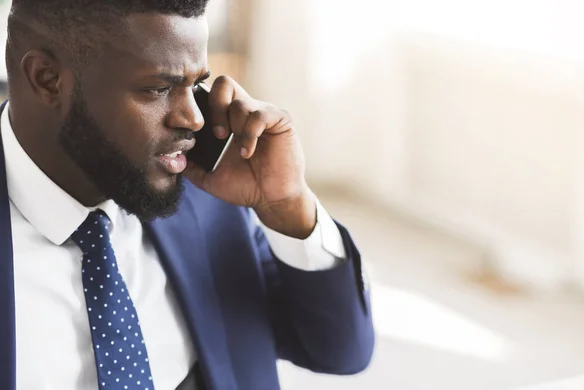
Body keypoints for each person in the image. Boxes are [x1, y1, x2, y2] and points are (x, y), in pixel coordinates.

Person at [0, 1, 375, 389]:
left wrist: (286, 205)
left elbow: (339, 350)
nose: (194, 119)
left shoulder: (205, 194)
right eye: (158, 88)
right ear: (47, 79)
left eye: (194, 85)